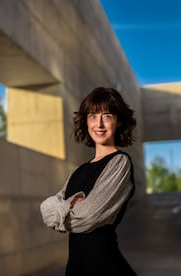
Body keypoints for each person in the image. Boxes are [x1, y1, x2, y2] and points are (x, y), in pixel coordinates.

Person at [40, 87, 137, 276]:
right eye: (93, 116)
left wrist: (63, 208)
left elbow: (88, 216)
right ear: (86, 121)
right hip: (76, 267)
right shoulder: (79, 170)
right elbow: (46, 211)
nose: (99, 124)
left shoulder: (119, 162)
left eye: (107, 116)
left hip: (105, 267)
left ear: (118, 121)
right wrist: (72, 205)